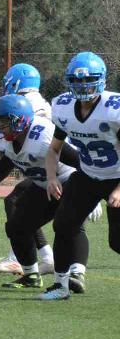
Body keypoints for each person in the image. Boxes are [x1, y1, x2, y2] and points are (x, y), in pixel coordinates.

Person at [0, 94, 93, 289]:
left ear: (21, 121)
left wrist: (89, 191)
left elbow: (80, 161)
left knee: (70, 224)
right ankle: (31, 276)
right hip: (44, 184)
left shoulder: (43, 137)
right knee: (17, 227)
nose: (0, 127)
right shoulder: (8, 139)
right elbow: (10, 158)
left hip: (71, 179)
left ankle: (77, 274)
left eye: (5, 121)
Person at [40, 51, 120, 301]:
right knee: (63, 225)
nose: (83, 86)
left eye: (89, 80)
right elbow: (54, 149)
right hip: (87, 175)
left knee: (117, 242)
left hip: (117, 177)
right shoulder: (63, 108)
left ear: (101, 79)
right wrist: (51, 177)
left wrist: (119, 190)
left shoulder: (113, 110)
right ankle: (61, 285)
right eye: (77, 81)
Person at [0, 63, 58, 275]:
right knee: (21, 207)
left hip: (53, 169)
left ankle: (20, 259)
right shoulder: (37, 101)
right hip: (43, 166)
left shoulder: (24, 104)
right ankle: (46, 257)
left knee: (17, 204)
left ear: (15, 83)